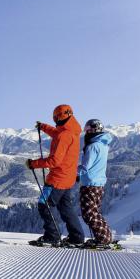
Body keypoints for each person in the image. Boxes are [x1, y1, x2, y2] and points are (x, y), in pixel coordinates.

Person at [25, 104, 85, 246]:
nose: (54, 121)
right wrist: (44, 127)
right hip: (68, 178)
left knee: (44, 204)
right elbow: (57, 133)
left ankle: (52, 236)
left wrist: (34, 164)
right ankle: (77, 237)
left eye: (55, 118)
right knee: (66, 208)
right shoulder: (71, 131)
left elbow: (54, 161)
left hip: (57, 179)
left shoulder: (64, 135)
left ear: (59, 117)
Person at [77, 119, 114, 247]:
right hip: (98, 183)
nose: (86, 133)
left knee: (88, 213)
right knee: (94, 212)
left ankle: (103, 239)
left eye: (88, 130)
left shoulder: (93, 146)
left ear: (94, 130)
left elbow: (85, 166)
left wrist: (74, 174)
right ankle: (105, 236)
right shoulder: (103, 144)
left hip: (90, 183)